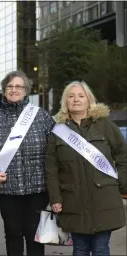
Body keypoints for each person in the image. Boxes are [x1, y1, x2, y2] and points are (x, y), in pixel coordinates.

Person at [0, 71, 55, 256]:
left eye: (18, 86)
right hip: (7, 189)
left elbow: (54, 150)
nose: (14, 90)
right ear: (4, 91)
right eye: (10, 87)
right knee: (13, 234)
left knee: (35, 235)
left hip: (38, 188)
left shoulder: (42, 116)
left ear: (26, 90)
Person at [46, 81, 127, 256]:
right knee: (80, 249)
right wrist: (55, 198)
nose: (76, 100)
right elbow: (51, 169)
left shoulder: (105, 126)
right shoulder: (58, 131)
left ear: (89, 100)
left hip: (104, 199)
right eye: (71, 96)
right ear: (65, 102)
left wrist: (123, 185)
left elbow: (123, 156)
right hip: (72, 200)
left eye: (81, 96)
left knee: (100, 248)